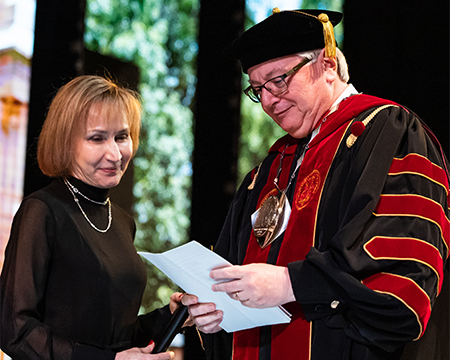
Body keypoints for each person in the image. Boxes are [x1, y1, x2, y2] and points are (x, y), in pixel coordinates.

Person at [182, 8, 449, 360]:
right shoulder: (267, 172)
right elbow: (234, 271)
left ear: (326, 63)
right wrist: (212, 305)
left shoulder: (387, 135)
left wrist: (288, 284)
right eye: (257, 88)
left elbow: (401, 276)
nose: (267, 100)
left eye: (278, 80)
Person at [0, 75, 180, 360]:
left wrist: (171, 315)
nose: (114, 154)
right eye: (97, 138)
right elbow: (16, 330)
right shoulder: (42, 210)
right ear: (65, 142)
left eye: (122, 137)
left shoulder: (122, 222)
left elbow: (118, 337)